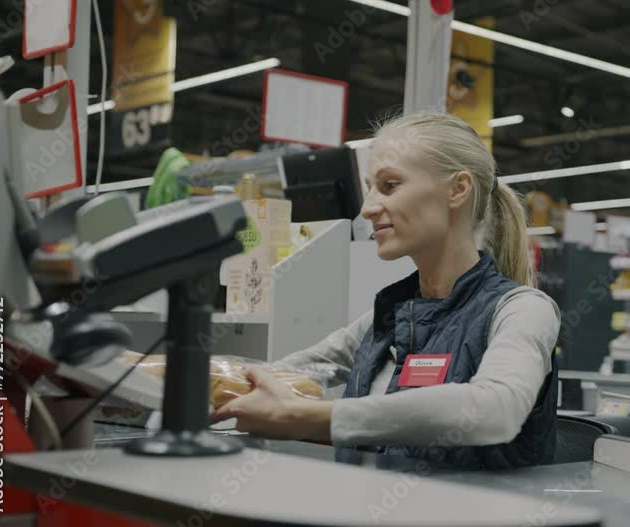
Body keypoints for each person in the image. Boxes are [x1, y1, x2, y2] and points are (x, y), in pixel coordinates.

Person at [212, 112, 562, 470]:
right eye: (369, 187)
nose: (367, 209)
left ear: (458, 189)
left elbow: (494, 410)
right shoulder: (389, 317)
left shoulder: (522, 310)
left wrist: (313, 416)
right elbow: (286, 372)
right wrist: (168, 380)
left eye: (390, 185)